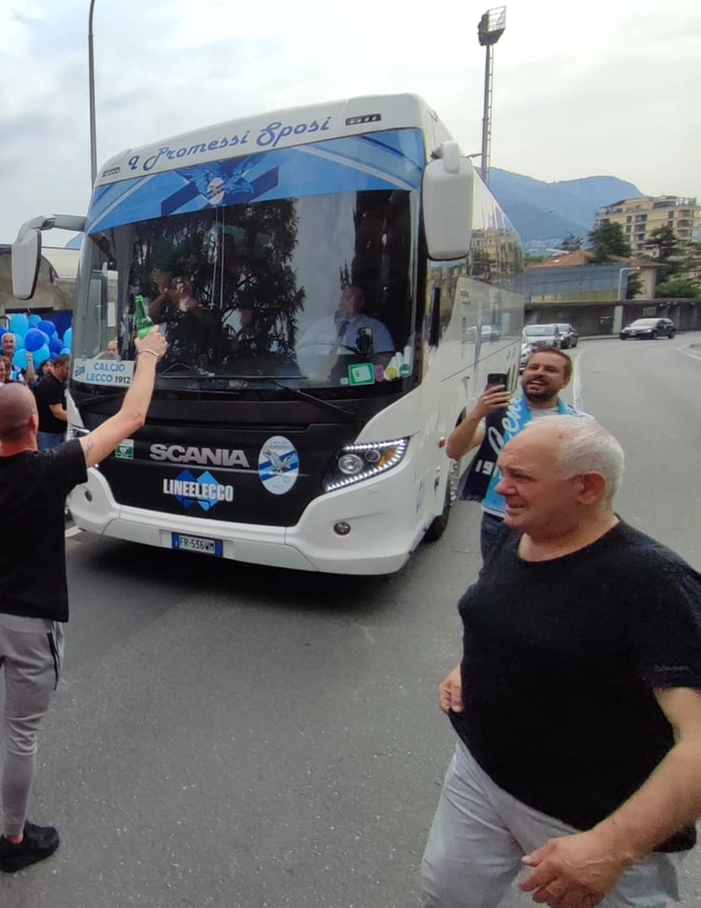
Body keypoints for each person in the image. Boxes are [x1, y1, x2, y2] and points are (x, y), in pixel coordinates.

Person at [0, 330, 169, 873]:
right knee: (20, 736)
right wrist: (148, 356)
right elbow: (132, 417)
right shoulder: (53, 469)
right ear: (33, 426)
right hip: (31, 628)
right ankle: (13, 840)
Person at [421, 417, 701, 908]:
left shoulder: (655, 583)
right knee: (447, 897)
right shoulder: (522, 531)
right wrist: (473, 664)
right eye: (502, 471)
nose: (501, 487)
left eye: (521, 477)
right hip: (479, 776)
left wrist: (611, 847)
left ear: (587, 488)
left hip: (585, 821)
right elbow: (505, 613)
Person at [446, 347, 584, 563]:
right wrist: (477, 413)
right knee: (496, 585)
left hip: (551, 521)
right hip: (500, 520)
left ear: (565, 381)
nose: (539, 373)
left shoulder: (580, 424)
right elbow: (453, 451)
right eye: (533, 367)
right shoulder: (499, 415)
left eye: (550, 369)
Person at [295, 285, 394, 365]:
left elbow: (386, 359)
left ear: (360, 302)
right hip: (321, 380)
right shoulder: (319, 326)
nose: (348, 303)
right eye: (345, 298)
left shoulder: (376, 327)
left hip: (359, 382)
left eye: (353, 299)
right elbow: (300, 354)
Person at [33, 353, 71, 452]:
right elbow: (57, 412)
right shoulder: (50, 384)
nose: (70, 372)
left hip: (56, 431)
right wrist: (78, 420)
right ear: (58, 366)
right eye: (67, 368)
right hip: (49, 433)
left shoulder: (58, 383)